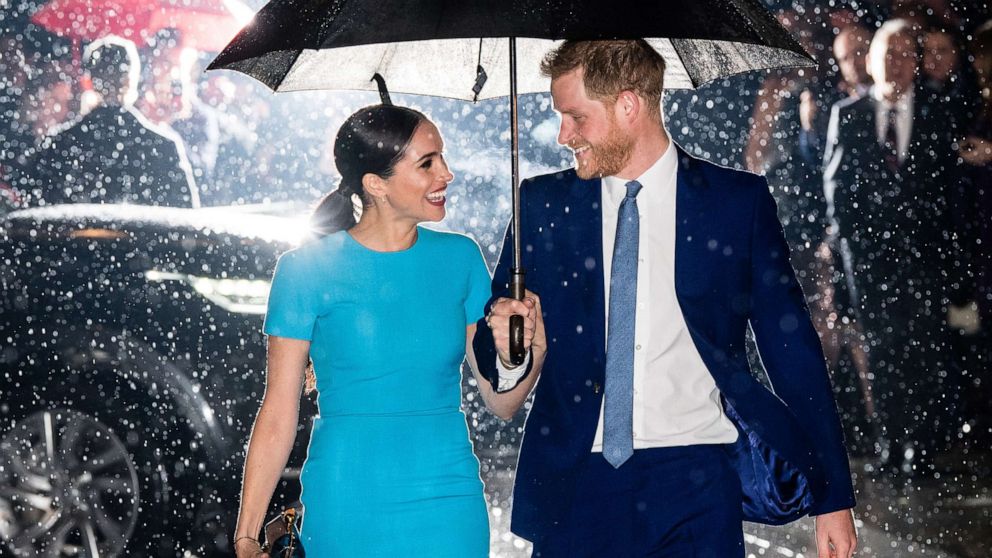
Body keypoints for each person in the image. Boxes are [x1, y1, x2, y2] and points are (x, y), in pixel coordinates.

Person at [474, 40, 857, 558]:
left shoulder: (734, 203)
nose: (564, 135)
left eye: (575, 117)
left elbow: (793, 352)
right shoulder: (542, 206)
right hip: (574, 482)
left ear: (628, 106)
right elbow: (499, 368)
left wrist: (832, 495)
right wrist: (511, 347)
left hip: (698, 483)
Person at [232, 104, 545, 557]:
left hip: (449, 500)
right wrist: (247, 533)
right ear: (375, 184)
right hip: (347, 500)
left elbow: (502, 402)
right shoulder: (304, 271)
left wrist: (531, 350)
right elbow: (279, 412)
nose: (448, 173)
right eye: (427, 163)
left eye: (442, 157)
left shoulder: (461, 259)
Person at [823, 19, 972, 476]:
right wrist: (853, 251)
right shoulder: (847, 113)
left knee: (925, 352)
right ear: (870, 61)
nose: (898, 63)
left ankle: (921, 450)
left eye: (908, 53)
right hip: (869, 263)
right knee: (882, 355)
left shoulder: (940, 111)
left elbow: (951, 192)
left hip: (926, 259)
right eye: (889, 53)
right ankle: (889, 444)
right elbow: (836, 191)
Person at [26, 35, 198, 207]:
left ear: (90, 81)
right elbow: (185, 218)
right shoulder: (161, 146)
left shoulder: (61, 143)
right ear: (133, 79)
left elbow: (38, 210)